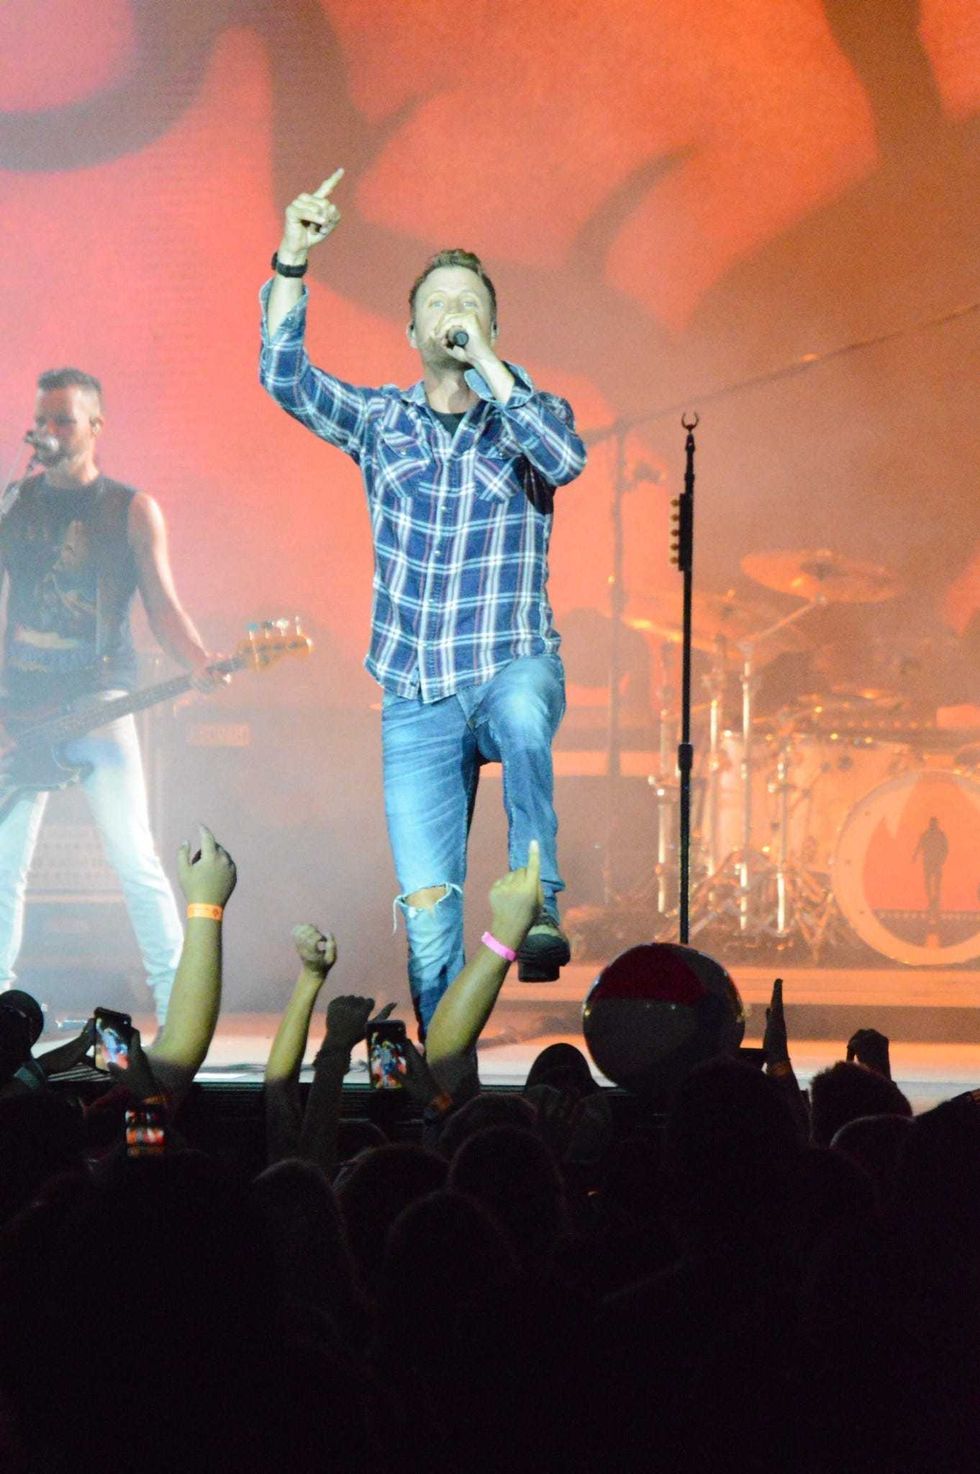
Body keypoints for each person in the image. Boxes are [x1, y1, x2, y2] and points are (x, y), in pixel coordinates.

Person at [260, 169, 587, 1034]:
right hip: (416, 692)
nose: (453, 311)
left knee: (523, 717)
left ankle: (538, 903)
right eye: (437, 302)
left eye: (470, 303)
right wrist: (292, 258)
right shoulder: (381, 422)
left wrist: (491, 369)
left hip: (511, 658)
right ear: (410, 332)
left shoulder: (530, 412)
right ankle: (446, 1081)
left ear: (491, 327)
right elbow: (286, 379)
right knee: (431, 915)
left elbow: (564, 460)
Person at [0, 368, 219, 1025]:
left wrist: (199, 661)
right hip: (22, 707)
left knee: (134, 857)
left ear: (96, 426)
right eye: (42, 420)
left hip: (99, 699)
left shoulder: (129, 508)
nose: (49, 432)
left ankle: (178, 1007)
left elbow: (162, 605)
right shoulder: (15, 503)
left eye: (64, 420)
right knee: (4, 867)